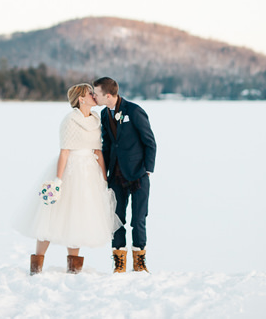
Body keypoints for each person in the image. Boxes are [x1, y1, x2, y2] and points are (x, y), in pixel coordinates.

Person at [12, 84, 121, 274]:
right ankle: (37, 266)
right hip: (71, 170)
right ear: (81, 98)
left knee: (78, 217)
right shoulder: (70, 120)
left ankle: (74, 268)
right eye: (90, 94)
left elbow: (98, 152)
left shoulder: (95, 119)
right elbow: (64, 152)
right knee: (53, 216)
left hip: (89, 172)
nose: (94, 96)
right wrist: (58, 180)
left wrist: (104, 178)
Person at [93, 76, 157, 273]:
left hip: (138, 175)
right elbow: (108, 144)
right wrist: (103, 172)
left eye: (96, 94)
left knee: (138, 220)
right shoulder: (104, 114)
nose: (94, 97)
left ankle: (140, 263)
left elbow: (150, 142)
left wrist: (147, 169)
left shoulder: (134, 111)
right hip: (116, 176)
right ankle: (119, 262)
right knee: (116, 219)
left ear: (108, 95)